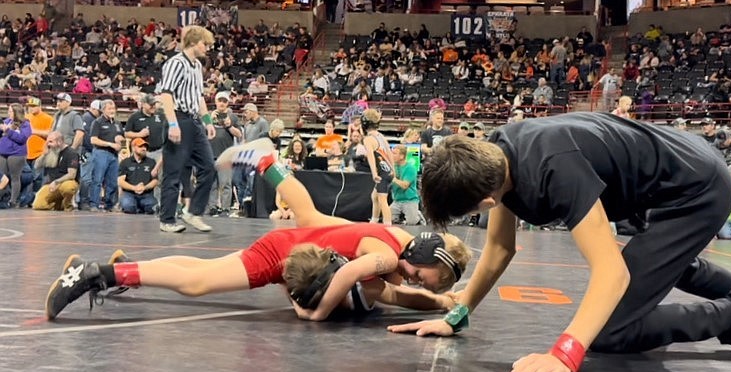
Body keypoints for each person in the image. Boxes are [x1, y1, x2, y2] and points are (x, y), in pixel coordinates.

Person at [388, 113, 731, 372]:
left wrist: (567, 352)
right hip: (668, 175)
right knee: (660, 262)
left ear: (484, 203)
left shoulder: (555, 170)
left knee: (610, 331)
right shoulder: (498, 155)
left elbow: (611, 272)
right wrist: (457, 315)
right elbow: (498, 248)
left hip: (696, 188)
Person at [44, 138, 472, 321]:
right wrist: (314, 313)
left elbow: (400, 291)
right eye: (421, 275)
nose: (413, 278)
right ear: (419, 256)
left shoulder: (398, 241)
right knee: (197, 282)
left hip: (302, 242)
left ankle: (267, 161)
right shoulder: (385, 256)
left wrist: (436, 302)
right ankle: (93, 273)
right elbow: (354, 279)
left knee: (310, 217)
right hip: (284, 253)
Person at [156, 25, 217, 233]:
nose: (207, 48)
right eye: (204, 44)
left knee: (209, 166)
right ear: (193, 42)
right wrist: (172, 123)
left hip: (194, 122)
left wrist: (208, 121)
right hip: (179, 119)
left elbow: (199, 97)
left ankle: (193, 213)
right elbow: (166, 94)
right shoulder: (175, 63)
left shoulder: (197, 67)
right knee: (173, 173)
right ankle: (167, 219)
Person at [361, 109, 395, 225]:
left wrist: (374, 174)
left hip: (382, 174)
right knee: (374, 196)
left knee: (382, 200)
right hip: (388, 171)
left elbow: (371, 157)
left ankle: (388, 225)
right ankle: (374, 221)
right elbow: (389, 153)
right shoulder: (380, 136)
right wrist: (393, 169)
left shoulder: (368, 139)